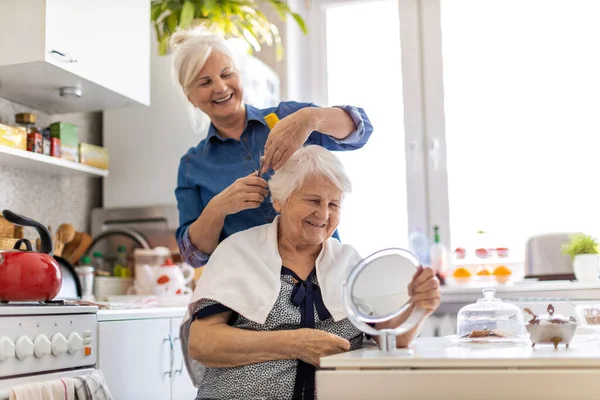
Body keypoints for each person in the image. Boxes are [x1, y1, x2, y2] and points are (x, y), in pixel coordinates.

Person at [179, 146, 441, 400]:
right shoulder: (239, 251)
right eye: (313, 200)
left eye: (334, 204)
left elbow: (391, 339)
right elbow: (202, 343)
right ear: (280, 200)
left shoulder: (349, 261)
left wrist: (419, 307)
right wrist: (295, 343)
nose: (324, 214)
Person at [171, 27, 374, 268]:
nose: (221, 87)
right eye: (205, 82)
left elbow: (362, 131)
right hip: (250, 294)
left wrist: (310, 119)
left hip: (323, 281)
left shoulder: (287, 119)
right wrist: (218, 207)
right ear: (190, 97)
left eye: (227, 74)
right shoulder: (192, 165)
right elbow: (194, 256)